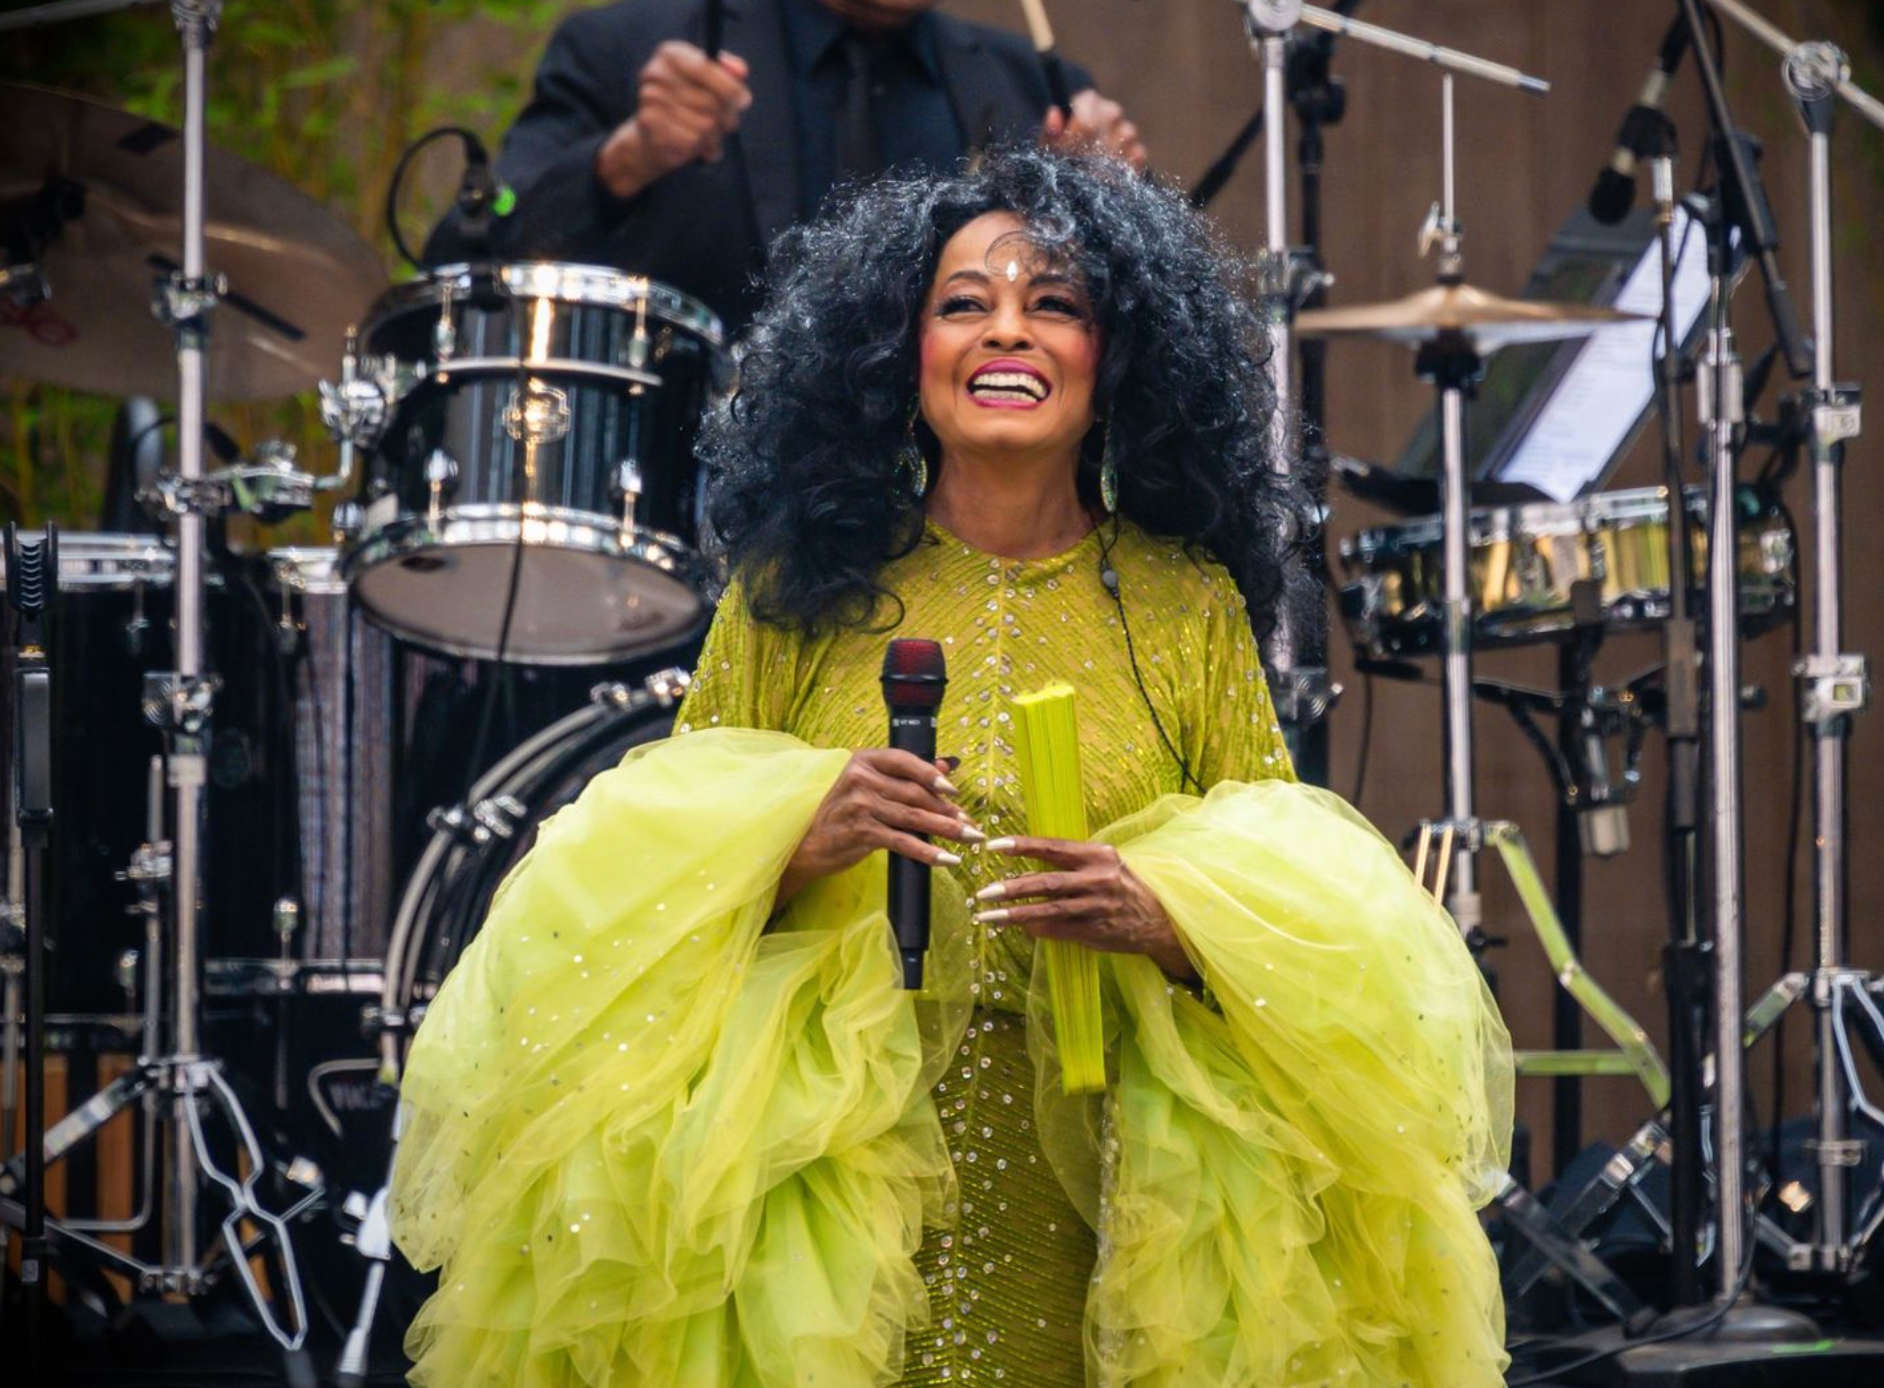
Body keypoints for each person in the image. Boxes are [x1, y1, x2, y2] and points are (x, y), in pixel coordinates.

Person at [390, 147, 1512, 1387]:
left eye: (1055, 303)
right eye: (963, 302)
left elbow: (1305, 926)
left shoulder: (1185, 605)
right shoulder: (790, 595)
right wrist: (786, 835)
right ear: (896, 352)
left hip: (1121, 1189)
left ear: (1118, 354)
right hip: (813, 1190)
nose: (1006, 332)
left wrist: (1167, 916)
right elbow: (631, 907)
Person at [445, 0, 1147, 336]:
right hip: (683, 550)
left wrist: (1112, 213)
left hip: (951, 559)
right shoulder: (627, 46)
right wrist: (623, 160)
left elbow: (1133, 347)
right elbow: (467, 250)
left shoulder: (1032, 90)